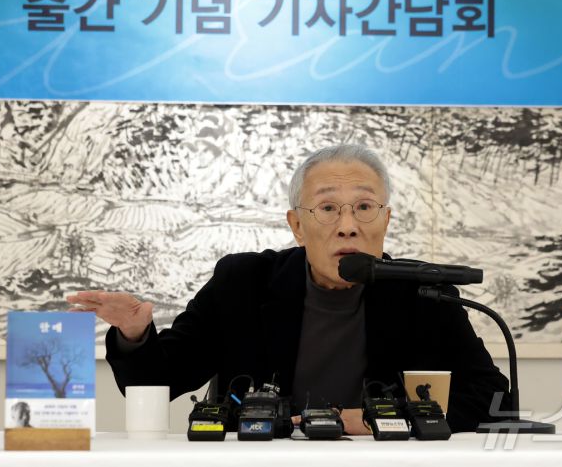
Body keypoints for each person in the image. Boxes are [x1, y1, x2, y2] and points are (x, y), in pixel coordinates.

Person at [67, 144, 510, 434]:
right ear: (297, 225)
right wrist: (135, 335)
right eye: (328, 208)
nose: (348, 226)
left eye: (364, 206)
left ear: (386, 220)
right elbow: (158, 381)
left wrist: (375, 420)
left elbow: (493, 399)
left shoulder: (423, 295)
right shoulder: (241, 283)